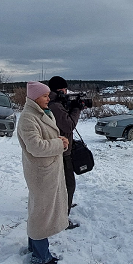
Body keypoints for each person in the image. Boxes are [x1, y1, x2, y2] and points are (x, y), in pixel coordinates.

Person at [16, 81, 70, 264]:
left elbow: (44, 138)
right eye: (45, 95)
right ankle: (40, 255)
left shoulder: (42, 113)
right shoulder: (28, 118)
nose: (49, 98)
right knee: (41, 212)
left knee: (39, 209)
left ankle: (35, 247)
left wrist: (58, 139)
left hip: (47, 169)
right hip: (40, 172)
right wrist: (59, 144)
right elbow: (35, 147)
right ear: (34, 97)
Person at [47, 76, 82, 229]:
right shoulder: (54, 105)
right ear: (59, 90)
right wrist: (76, 108)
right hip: (60, 151)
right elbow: (68, 125)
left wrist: (70, 105)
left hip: (62, 149)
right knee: (68, 184)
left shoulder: (58, 103)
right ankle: (62, 219)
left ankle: (63, 207)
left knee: (63, 184)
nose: (66, 92)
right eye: (64, 90)